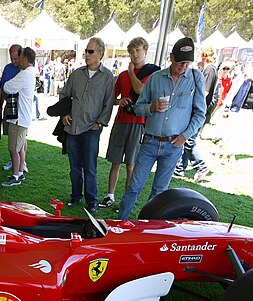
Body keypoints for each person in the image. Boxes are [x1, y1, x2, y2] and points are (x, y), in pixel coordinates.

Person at [117, 37, 207, 220]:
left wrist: (185, 136)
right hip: (150, 141)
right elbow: (138, 107)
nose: (183, 66)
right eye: (180, 61)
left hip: (173, 145)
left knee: (159, 192)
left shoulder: (196, 78)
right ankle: (120, 224)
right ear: (171, 57)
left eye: (187, 62)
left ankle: (151, 230)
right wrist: (151, 107)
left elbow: (200, 114)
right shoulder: (156, 78)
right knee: (134, 187)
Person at [99, 37, 159, 210]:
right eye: (131, 52)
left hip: (138, 123)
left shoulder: (151, 73)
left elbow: (140, 89)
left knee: (131, 164)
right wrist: (120, 101)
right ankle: (110, 195)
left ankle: (126, 199)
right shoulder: (123, 76)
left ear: (145, 50)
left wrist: (131, 71)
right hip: (121, 121)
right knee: (115, 162)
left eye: (137, 51)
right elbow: (112, 98)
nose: (134, 55)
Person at [60, 37, 115, 213]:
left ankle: (92, 200)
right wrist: (64, 114)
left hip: (92, 129)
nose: (86, 55)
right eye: (86, 51)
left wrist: (99, 123)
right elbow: (64, 95)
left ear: (100, 54)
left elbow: (109, 103)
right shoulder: (76, 74)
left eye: (90, 51)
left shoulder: (107, 77)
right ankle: (76, 196)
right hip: (73, 127)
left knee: (90, 167)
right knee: (74, 166)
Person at [175, 45, 217, 181]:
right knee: (187, 140)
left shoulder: (209, 70)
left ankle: (201, 166)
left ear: (204, 56)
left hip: (197, 113)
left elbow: (203, 93)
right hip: (198, 112)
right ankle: (180, 168)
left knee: (188, 141)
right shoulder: (209, 69)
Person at [1, 47, 36, 187]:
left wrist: (7, 84)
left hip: (19, 117)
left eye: (20, 58)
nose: (18, 61)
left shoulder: (25, 74)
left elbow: (8, 87)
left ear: (25, 59)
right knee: (20, 147)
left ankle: (15, 176)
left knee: (13, 148)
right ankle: (20, 172)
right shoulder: (30, 73)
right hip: (23, 117)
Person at [0, 44, 28, 173]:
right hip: (9, 106)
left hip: (21, 108)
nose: (14, 62)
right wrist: (0, 107)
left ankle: (21, 163)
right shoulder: (8, 68)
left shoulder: (25, 70)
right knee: (11, 136)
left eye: (16, 59)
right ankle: (16, 162)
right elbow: (3, 88)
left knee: (21, 137)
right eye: (12, 59)